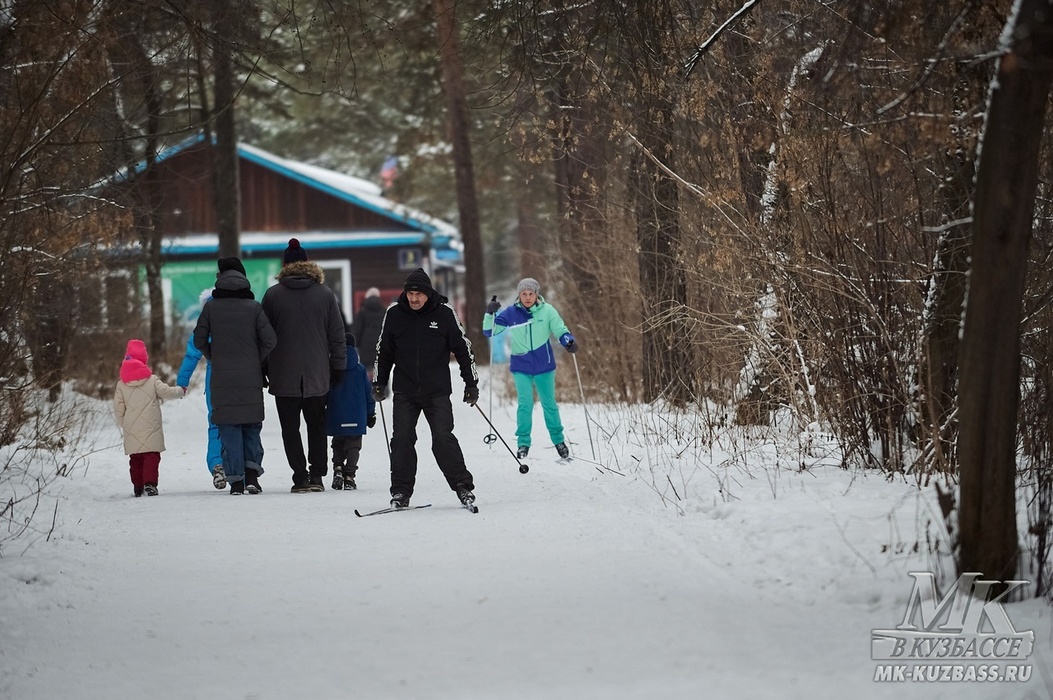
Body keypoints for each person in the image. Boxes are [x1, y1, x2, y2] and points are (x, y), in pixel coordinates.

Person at [373, 268, 479, 509]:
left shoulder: (444, 313)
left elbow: (463, 349)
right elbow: (383, 351)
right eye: (410, 294)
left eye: (418, 294)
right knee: (402, 439)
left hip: (436, 390)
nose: (414, 299)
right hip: (405, 390)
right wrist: (379, 382)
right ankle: (400, 492)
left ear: (428, 294)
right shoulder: (394, 314)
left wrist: (471, 384)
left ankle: (463, 486)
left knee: (442, 438)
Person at [261, 238, 346, 493]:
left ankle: (300, 476)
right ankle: (317, 475)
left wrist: (262, 368)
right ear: (308, 264)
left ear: (284, 266)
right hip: (317, 374)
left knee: (290, 428)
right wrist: (338, 366)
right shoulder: (325, 294)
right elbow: (337, 334)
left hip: (282, 373)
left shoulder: (272, 296)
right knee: (316, 425)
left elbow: (263, 337)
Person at [194, 257, 277, 495]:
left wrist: (214, 356)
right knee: (251, 426)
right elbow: (270, 340)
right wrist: (255, 358)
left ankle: (236, 482)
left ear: (220, 278)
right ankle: (252, 478)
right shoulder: (254, 308)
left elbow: (199, 339)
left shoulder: (211, 308)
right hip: (250, 377)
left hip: (222, 378)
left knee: (228, 427)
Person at [483, 277, 577, 460]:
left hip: (544, 365)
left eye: (531, 294)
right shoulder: (511, 313)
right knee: (525, 404)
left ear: (537, 295)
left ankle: (559, 441)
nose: (527, 297)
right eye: (524, 294)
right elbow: (490, 331)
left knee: (549, 405)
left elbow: (560, 330)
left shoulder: (548, 311)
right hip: (521, 366)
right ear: (519, 295)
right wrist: (489, 314)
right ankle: (523, 443)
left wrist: (568, 341)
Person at [113, 339, 186, 497]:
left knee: (136, 458)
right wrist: (181, 390)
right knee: (151, 456)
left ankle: (138, 486)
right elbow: (167, 392)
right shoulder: (152, 380)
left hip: (131, 427)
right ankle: (150, 484)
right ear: (143, 360)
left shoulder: (121, 384)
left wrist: (124, 423)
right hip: (151, 427)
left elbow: (118, 408)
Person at [177, 289, 227, 490]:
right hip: (239, 378)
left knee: (215, 423)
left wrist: (182, 380)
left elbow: (192, 354)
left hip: (214, 379)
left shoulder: (205, 323)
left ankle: (217, 464)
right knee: (239, 423)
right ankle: (239, 467)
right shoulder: (235, 318)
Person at [325, 331, 376, 490]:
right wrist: (371, 414)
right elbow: (369, 394)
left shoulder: (331, 369)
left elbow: (324, 392)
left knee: (338, 443)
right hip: (356, 416)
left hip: (336, 414)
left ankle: (338, 468)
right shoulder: (360, 370)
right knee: (354, 446)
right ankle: (349, 476)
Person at [351, 286, 385, 380]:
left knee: (365, 372)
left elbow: (358, 330)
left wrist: (356, 344)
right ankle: (379, 387)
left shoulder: (362, 311)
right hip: (380, 345)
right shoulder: (384, 311)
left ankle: (367, 386)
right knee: (380, 370)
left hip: (365, 347)